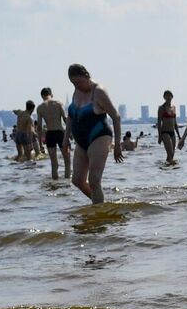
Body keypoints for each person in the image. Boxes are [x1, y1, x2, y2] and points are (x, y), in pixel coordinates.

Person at [65, 63, 122, 204]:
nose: (76, 86)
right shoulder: (76, 91)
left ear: (86, 76)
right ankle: (99, 204)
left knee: (94, 180)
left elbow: (116, 116)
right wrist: (65, 139)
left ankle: (99, 215)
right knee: (77, 179)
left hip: (99, 136)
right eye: (73, 83)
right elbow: (71, 116)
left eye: (78, 82)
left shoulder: (99, 91)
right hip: (81, 140)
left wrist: (118, 144)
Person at [35, 87, 71, 180]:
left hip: (50, 134)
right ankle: (67, 184)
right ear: (51, 94)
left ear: (42, 96)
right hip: (60, 133)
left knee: (54, 163)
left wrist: (40, 143)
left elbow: (39, 127)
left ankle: (55, 185)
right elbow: (65, 119)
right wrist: (70, 133)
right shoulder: (58, 103)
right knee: (67, 161)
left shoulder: (40, 108)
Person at [157, 89, 179, 164]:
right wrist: (159, 136)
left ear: (172, 97)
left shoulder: (174, 107)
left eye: (169, 95)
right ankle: (169, 169)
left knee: (172, 155)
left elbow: (175, 122)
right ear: (164, 97)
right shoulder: (161, 108)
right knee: (170, 152)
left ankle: (168, 170)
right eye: (166, 96)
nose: (168, 97)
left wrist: (179, 135)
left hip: (172, 132)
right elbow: (159, 123)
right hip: (165, 132)